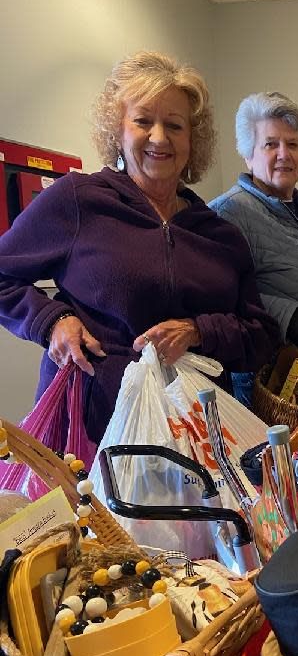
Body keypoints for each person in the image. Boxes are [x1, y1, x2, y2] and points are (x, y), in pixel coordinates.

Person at [0, 51, 278, 444]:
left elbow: (260, 336)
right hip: (93, 437)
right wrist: (52, 321)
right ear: (118, 129)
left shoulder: (221, 236)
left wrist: (198, 330)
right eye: (143, 121)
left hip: (193, 439)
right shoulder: (79, 200)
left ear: (192, 139)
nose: (159, 138)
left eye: (175, 125)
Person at [210, 92, 298, 351]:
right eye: (271, 144)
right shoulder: (227, 213)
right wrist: (287, 316)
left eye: (293, 144)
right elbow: (218, 298)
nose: (284, 154)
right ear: (249, 156)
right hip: (269, 377)